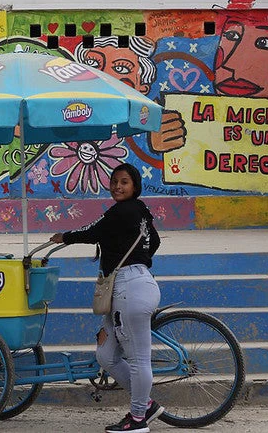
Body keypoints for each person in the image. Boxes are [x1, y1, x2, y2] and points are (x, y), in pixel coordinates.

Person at [50, 162, 163, 433]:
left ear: (135, 186)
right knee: (106, 355)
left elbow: (93, 231)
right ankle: (145, 404)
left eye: (124, 182)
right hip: (132, 285)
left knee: (138, 360)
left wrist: (64, 236)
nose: (117, 186)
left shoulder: (123, 210)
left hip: (130, 288)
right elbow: (154, 242)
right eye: (114, 181)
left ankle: (138, 420)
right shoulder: (141, 213)